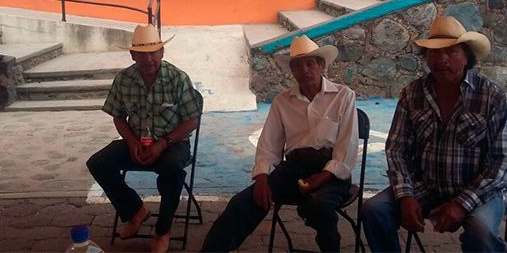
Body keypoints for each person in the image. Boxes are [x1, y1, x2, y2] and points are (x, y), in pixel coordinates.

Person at [361, 16, 507, 252]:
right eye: (434, 52)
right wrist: (405, 195)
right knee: (373, 210)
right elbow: (397, 149)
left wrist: (462, 204)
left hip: (478, 191)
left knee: (481, 233)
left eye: (451, 51)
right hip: (426, 186)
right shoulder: (412, 94)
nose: (441, 60)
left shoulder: (493, 97)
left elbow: (502, 163)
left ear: (467, 57)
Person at [202, 35, 358, 252]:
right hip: (294, 169)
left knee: (319, 207)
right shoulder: (282, 101)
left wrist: (324, 176)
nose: (304, 70)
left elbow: (347, 147)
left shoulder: (343, 96)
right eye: (297, 66)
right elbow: (269, 144)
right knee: (243, 203)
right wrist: (262, 177)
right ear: (292, 71)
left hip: (331, 171)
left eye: (310, 64)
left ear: (322, 66)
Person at [86, 24, 203, 253]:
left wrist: (163, 144)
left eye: (153, 52)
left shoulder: (178, 78)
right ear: (132, 55)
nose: (148, 58)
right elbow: (118, 117)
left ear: (162, 52)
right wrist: (131, 142)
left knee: (172, 170)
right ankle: (135, 211)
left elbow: (192, 121)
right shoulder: (123, 79)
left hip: (172, 143)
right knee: (98, 163)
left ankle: (162, 231)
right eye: (142, 53)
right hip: (136, 142)